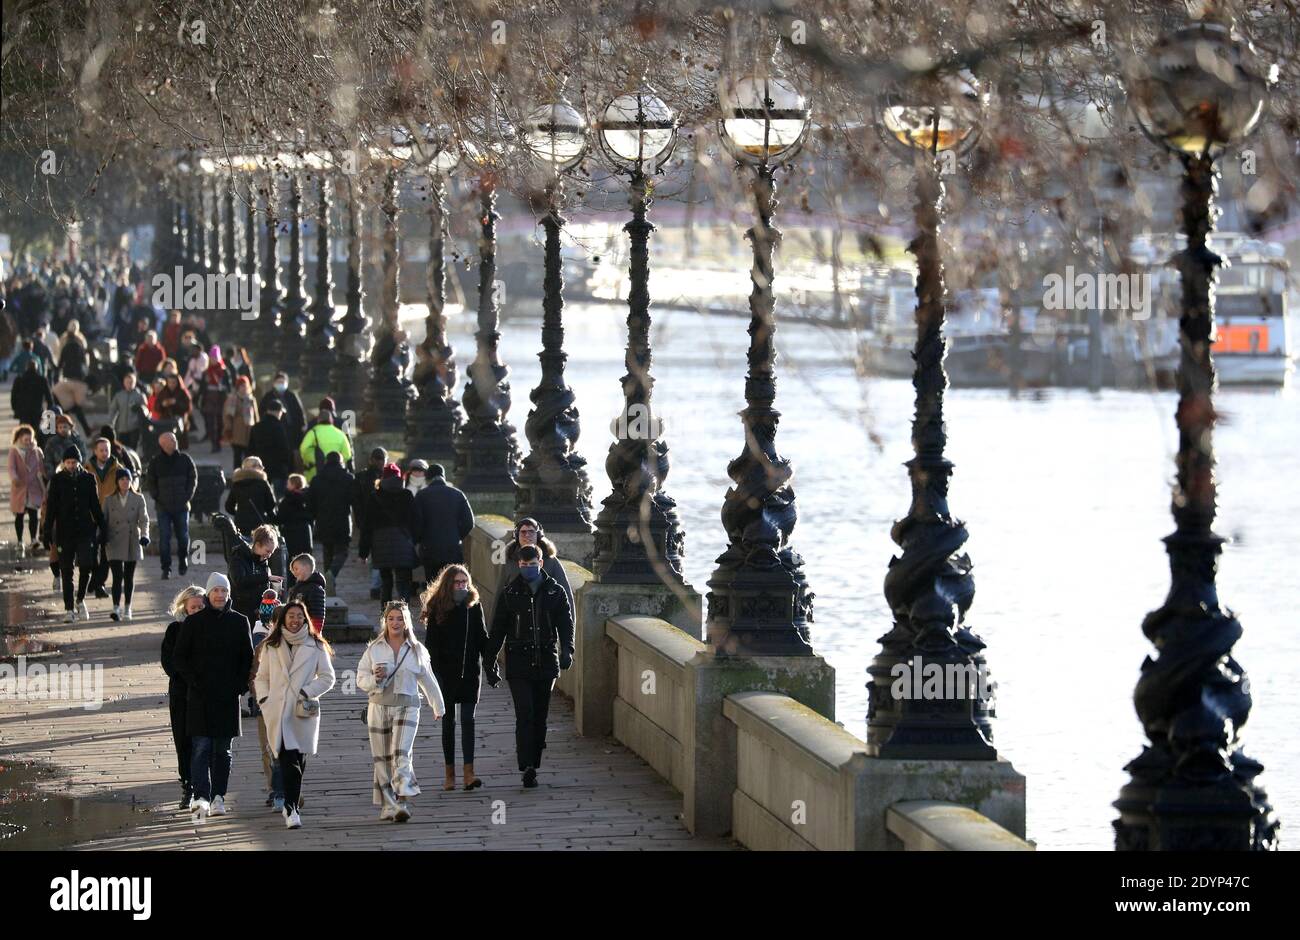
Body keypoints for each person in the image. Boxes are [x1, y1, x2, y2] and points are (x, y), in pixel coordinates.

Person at [485, 543, 574, 789]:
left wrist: (568, 650)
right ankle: (527, 765)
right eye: (523, 566)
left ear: (541, 563)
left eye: (532, 565)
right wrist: (490, 660)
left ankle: (534, 761)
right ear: (518, 565)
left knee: (540, 716)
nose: (527, 569)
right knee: (524, 714)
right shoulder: (510, 593)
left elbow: (566, 625)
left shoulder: (555, 592)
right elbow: (498, 629)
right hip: (518, 662)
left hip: (546, 660)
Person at [172, 572, 254, 823]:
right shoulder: (194, 623)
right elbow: (179, 657)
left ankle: (219, 796)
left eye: (224, 591)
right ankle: (201, 797)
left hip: (227, 697)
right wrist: (194, 683)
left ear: (229, 594)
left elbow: (247, 658)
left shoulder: (240, 622)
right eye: (216, 591)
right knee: (200, 748)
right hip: (199, 697)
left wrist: (239, 687)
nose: (220, 595)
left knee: (223, 750)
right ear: (208, 594)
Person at [356, 601, 444, 822]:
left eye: (400, 618)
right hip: (378, 705)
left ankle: (402, 798)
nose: (395, 622)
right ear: (385, 621)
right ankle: (389, 805)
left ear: (407, 622)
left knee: (401, 754)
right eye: (391, 618)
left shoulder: (417, 650)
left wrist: (438, 705)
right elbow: (360, 679)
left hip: (408, 705)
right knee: (382, 758)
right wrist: (374, 679)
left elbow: (427, 678)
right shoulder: (374, 648)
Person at [253, 599, 335, 830]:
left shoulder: (316, 645)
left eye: (300, 615)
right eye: (291, 616)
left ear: (305, 618)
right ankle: (291, 809)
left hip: (302, 711)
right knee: (288, 760)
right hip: (277, 711)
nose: (295, 620)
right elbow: (261, 678)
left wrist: (307, 691)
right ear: (283, 619)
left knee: (299, 761)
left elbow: (328, 678)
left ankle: (291, 801)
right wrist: (264, 700)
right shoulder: (271, 645)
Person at [421, 564, 493, 792]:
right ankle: (449, 774)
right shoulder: (437, 608)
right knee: (448, 723)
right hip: (446, 674)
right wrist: (434, 678)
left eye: (465, 582)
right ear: (448, 585)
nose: (462, 586)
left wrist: (492, 664)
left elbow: (482, 638)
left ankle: (469, 773)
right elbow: (430, 647)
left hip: (471, 672)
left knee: (468, 720)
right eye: (457, 582)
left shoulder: (474, 607)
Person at [42, 446, 106, 622]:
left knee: (86, 566)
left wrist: (103, 526)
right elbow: (51, 509)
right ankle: (69, 609)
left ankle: (80, 599)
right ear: (64, 463)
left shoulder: (88, 478)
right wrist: (47, 531)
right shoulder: (57, 480)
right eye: (68, 462)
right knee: (66, 571)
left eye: (73, 462)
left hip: (85, 530)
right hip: (64, 532)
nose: (71, 465)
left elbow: (95, 505)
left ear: (79, 462)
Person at [161, 585, 206, 811]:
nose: (197, 610)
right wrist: (188, 677)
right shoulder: (175, 630)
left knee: (203, 741)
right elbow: (168, 663)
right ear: (185, 608)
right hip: (182, 693)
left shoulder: (212, 627)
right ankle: (187, 785)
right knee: (183, 741)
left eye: (201, 606)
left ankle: (202, 787)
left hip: (206, 693)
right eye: (193, 607)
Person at [359, 463, 420, 608]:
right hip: (403, 542)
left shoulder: (375, 497)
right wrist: (415, 540)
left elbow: (366, 526)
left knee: (386, 582)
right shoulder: (407, 495)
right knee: (403, 581)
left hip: (381, 544)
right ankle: (403, 614)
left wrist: (363, 552)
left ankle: (384, 615)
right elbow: (416, 521)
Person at [143, 431, 197, 580]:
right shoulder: (155, 462)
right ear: (163, 445)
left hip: (182, 505)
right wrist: (157, 497)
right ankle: (166, 568)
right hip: (163, 507)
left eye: (174, 439)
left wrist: (187, 496)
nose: (175, 442)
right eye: (171, 440)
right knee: (164, 537)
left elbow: (193, 478)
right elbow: (150, 482)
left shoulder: (185, 459)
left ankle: (182, 559)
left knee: (183, 536)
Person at [411, 463, 475, 589]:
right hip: (452, 549)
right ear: (443, 477)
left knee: (433, 586)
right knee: (453, 586)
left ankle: (435, 608)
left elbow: (415, 524)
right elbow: (469, 522)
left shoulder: (421, 495)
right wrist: (457, 536)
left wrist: (419, 540)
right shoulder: (458, 494)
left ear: (428, 478)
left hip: (430, 549)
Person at [101, 467, 149, 621]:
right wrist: (101, 536)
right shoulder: (109, 500)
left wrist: (145, 535)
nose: (125, 482)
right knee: (117, 576)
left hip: (132, 540)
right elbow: (103, 521)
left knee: (129, 576)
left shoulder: (138, 498)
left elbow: (144, 520)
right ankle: (116, 607)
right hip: (113, 540)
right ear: (117, 481)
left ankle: (128, 607)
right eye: (122, 479)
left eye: (127, 479)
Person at [248, 603, 282, 811]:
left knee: (288, 751)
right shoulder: (262, 647)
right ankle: (274, 789)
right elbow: (254, 674)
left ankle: (287, 789)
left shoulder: (302, 645)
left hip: (290, 706)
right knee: (267, 749)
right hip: (266, 706)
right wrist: (260, 697)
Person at [504, 517, 575, 615]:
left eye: (531, 532)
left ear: (538, 535)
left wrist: (570, 626)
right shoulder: (509, 561)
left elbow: (566, 596)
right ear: (517, 536)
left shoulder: (551, 562)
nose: (527, 535)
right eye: (523, 532)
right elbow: (500, 594)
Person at [306, 451, 353, 595]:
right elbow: (353, 500)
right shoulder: (348, 478)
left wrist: (313, 518)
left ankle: (327, 587)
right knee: (342, 552)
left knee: (328, 553)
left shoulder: (317, 479)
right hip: (342, 521)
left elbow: (311, 503)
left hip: (323, 521)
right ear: (340, 462)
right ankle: (331, 575)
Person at [83, 437, 123, 598]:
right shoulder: (86, 469)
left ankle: (98, 584)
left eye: (107, 450)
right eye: (101, 450)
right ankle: (94, 580)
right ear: (95, 451)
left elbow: (127, 489)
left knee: (107, 554)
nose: (105, 453)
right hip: (91, 516)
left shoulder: (117, 468)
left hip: (111, 517)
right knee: (91, 553)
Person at [229, 524, 283, 626]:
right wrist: (267, 578)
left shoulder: (263, 562)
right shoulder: (239, 557)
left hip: (257, 612)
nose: (269, 555)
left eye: (271, 552)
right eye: (267, 551)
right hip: (240, 610)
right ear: (257, 545)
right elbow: (239, 580)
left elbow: (263, 588)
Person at [353, 447, 387, 600]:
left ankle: (376, 586)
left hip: (367, 521)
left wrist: (359, 520)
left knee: (375, 555)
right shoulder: (388, 478)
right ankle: (378, 586)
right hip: (382, 523)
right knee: (381, 556)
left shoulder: (360, 477)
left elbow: (355, 502)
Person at [8, 425, 45, 551]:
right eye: (25, 440)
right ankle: (20, 540)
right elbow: (11, 467)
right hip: (20, 488)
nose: (28, 442)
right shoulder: (14, 451)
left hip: (33, 488)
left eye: (30, 439)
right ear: (19, 439)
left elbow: (42, 467)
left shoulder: (36, 451)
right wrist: (14, 478)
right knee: (19, 515)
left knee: (34, 515)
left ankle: (33, 539)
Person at [52, 321, 93, 435]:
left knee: (69, 405)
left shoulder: (64, 343)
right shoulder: (81, 342)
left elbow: (60, 362)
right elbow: (85, 360)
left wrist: (56, 374)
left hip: (68, 377)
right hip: (79, 377)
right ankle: (82, 429)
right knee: (75, 406)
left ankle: (67, 429)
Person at [246, 400, 293, 497]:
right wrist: (288, 466)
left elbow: (250, 450)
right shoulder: (279, 427)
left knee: (262, 497)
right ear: (277, 412)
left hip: (260, 469)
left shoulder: (257, 427)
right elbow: (285, 448)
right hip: (278, 469)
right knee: (279, 498)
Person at [225, 455, 277, 537]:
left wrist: (240, 513)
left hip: (241, 522)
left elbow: (228, 506)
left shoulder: (237, 484)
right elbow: (271, 504)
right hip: (259, 523)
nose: (262, 468)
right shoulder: (262, 483)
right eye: (260, 465)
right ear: (254, 467)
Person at [298, 404, 353, 482]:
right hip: (337, 473)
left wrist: (308, 460)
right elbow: (348, 454)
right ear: (331, 420)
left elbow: (303, 448)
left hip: (316, 473)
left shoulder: (313, 432)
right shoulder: (340, 434)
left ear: (318, 420)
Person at [275, 476, 313, 587]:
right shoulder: (308, 498)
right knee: (305, 561)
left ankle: (293, 587)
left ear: (292, 485)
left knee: (292, 563)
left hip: (290, 534)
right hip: (305, 533)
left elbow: (280, 518)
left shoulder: (287, 501)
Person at [259, 372, 306, 449]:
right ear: (274, 383)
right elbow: (261, 411)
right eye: (279, 382)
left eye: (283, 382)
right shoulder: (268, 396)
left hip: (290, 429)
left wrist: (302, 424)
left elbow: (299, 411)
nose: (281, 384)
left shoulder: (291, 396)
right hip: (273, 429)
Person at [222, 375, 258, 470]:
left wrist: (257, 429)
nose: (244, 388)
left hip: (249, 432)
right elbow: (227, 416)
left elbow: (256, 416)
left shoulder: (251, 399)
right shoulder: (232, 398)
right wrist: (228, 429)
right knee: (237, 457)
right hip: (236, 432)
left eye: (245, 386)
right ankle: (237, 475)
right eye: (241, 386)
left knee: (249, 457)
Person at [10, 355, 54, 431]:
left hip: (23, 411)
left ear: (26, 368)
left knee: (24, 431)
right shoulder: (42, 380)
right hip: (37, 410)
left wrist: (15, 408)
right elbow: (49, 397)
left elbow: (13, 396)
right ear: (36, 368)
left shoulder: (19, 379)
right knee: (36, 430)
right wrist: (48, 409)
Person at [199, 346, 229, 453]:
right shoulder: (206, 372)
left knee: (220, 423)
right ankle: (213, 444)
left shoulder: (224, 371)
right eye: (211, 358)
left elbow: (228, 386)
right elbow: (202, 388)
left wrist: (222, 387)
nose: (213, 360)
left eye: (215, 358)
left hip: (221, 399)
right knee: (210, 422)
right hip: (209, 399)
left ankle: (218, 441)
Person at [107, 370, 148, 451]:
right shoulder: (119, 395)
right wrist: (111, 423)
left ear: (135, 382)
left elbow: (147, 410)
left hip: (135, 428)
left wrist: (141, 408)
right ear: (124, 382)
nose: (129, 384)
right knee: (122, 450)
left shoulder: (140, 396)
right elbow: (113, 410)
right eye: (127, 382)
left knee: (132, 450)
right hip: (121, 428)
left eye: (131, 382)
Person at [286, 554, 326, 633]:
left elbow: (318, 614)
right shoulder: (296, 588)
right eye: (293, 571)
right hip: (296, 630)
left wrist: (315, 633)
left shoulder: (315, 589)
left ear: (307, 567)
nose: (294, 573)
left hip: (308, 632)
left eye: (296, 569)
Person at [42, 414, 86, 483]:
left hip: (75, 475)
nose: (62, 429)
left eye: (65, 427)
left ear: (70, 427)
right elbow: (48, 460)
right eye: (60, 427)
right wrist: (53, 475)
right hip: (57, 477)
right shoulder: (52, 442)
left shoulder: (77, 441)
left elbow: (83, 457)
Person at [155, 372, 193, 449]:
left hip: (179, 421)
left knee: (180, 444)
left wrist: (176, 403)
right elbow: (156, 407)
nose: (171, 385)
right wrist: (163, 404)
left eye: (174, 382)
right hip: (165, 421)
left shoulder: (183, 392)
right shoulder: (163, 392)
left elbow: (188, 407)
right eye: (169, 382)